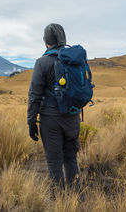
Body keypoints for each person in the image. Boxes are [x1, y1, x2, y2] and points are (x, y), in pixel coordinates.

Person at [27, 23, 80, 187]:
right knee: (71, 159)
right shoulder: (75, 61)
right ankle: (76, 198)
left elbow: (34, 96)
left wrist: (31, 122)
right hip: (73, 117)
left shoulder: (42, 63)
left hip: (50, 121)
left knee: (54, 162)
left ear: (46, 42)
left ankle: (60, 201)